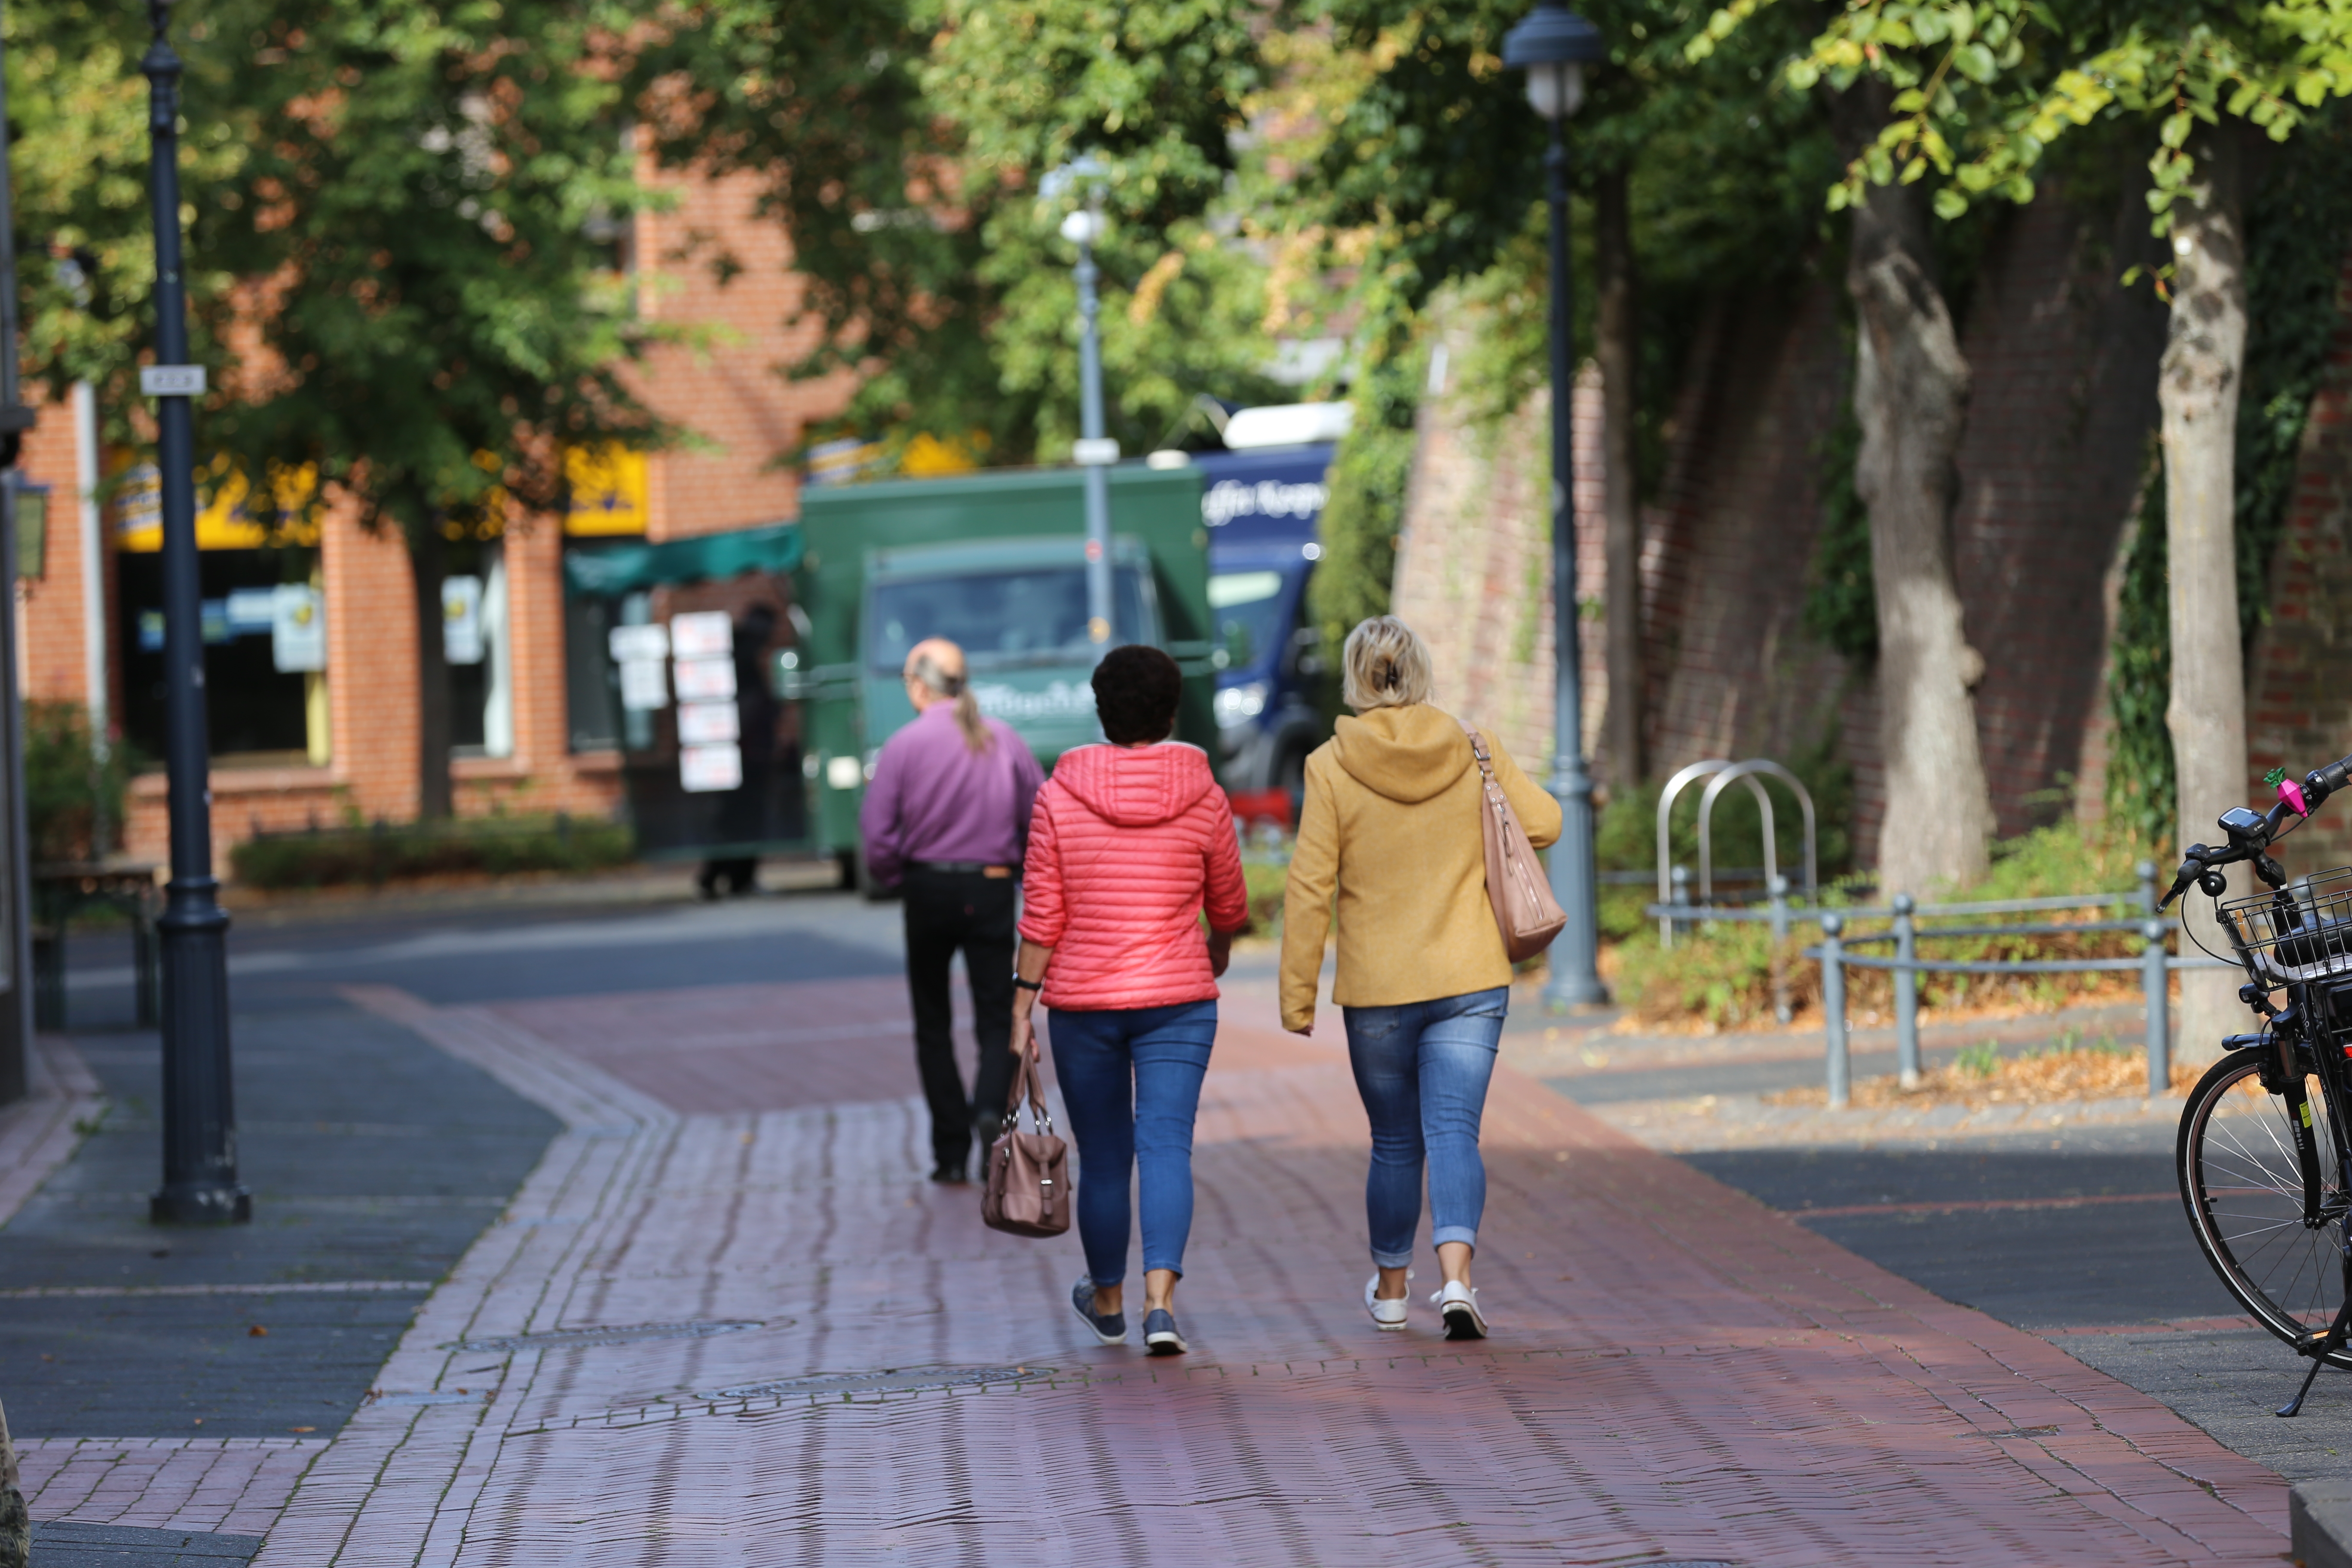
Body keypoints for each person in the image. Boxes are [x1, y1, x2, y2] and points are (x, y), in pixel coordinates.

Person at [1277, 616, 1561, 1340]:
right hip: (1471, 974)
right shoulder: (1474, 747)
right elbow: (1548, 821)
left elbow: (1311, 884)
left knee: (1396, 1142)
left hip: (1377, 987)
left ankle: (1395, 1290)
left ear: (1355, 677)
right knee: (1455, 1131)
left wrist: (1298, 994)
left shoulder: (1329, 764)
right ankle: (1459, 1279)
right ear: (1420, 669)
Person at [1011, 645, 1248, 1356]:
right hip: (1178, 997)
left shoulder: (1058, 795)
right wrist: (1220, 948)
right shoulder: (1204, 792)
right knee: (1167, 1145)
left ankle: (1107, 1297)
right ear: (1172, 711)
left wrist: (1021, 1005)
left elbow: (1042, 917)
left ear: (1101, 710)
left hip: (1083, 1006)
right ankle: (1162, 1305)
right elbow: (1229, 900)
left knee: (1107, 1157)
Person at [860, 637, 1046, 1182]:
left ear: (919, 685)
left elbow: (876, 837)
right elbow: (1041, 817)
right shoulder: (1003, 739)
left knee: (932, 1022)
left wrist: (899, 877)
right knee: (1000, 1014)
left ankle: (949, 1151)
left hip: (928, 889)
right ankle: (990, 1105)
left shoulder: (903, 746)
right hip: (990, 889)